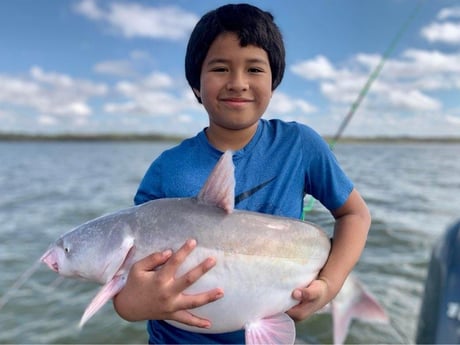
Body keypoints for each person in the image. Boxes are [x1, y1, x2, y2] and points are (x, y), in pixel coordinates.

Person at [113, 3, 371, 344]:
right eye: (220, 68)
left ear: (274, 80)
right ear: (195, 83)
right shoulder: (166, 168)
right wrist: (133, 304)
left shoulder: (301, 145)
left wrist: (330, 285)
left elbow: (355, 214)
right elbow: (125, 282)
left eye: (254, 69)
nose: (238, 83)